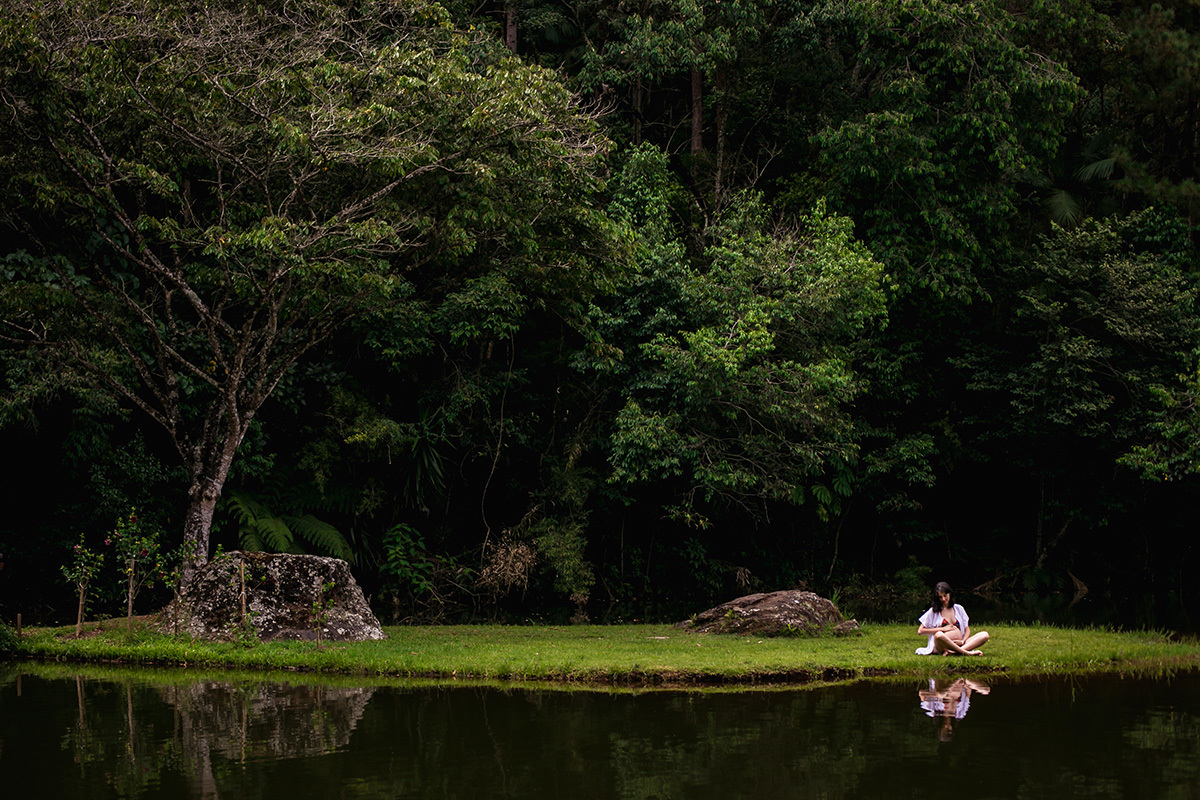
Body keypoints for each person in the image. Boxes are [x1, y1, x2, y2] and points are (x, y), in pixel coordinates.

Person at [915, 581, 989, 656]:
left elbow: (967, 629)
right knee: (938, 635)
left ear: (950, 594)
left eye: (945, 596)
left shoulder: (959, 608)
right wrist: (942, 629)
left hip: (960, 643)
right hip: (941, 645)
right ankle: (966, 653)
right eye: (940, 597)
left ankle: (955, 652)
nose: (943, 599)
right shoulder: (933, 611)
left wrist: (962, 641)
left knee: (984, 635)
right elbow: (920, 631)